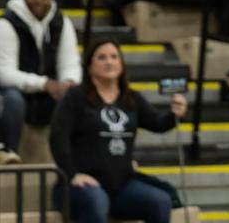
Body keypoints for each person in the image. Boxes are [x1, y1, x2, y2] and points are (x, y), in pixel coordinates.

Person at [50, 38, 185, 223]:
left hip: (121, 185)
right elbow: (58, 136)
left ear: (121, 64)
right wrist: (71, 174)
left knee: (160, 201)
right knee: (97, 200)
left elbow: (158, 124)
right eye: (102, 58)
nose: (109, 62)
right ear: (89, 66)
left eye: (114, 57)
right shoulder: (76, 97)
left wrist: (175, 113)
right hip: (80, 186)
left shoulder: (131, 98)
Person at [0, 0, 81, 155]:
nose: (38, 0)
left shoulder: (62, 23)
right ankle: (7, 152)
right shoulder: (5, 23)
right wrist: (45, 84)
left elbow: (70, 63)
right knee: (13, 99)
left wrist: (69, 82)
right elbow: (4, 75)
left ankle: (74, 158)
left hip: (46, 91)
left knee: (76, 95)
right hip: (4, 92)